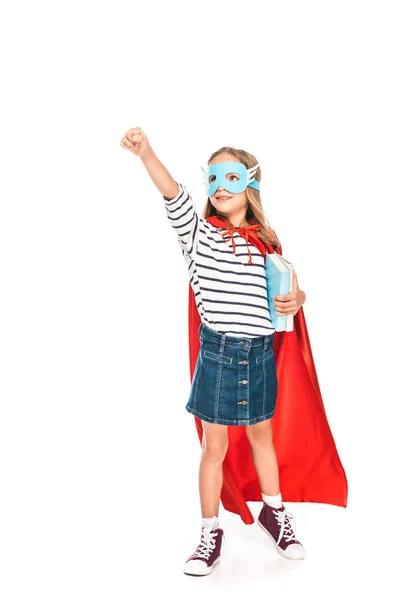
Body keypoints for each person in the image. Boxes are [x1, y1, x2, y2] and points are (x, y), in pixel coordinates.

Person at [120, 127, 317, 576]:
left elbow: (282, 294)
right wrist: (147, 153)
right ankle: (211, 532)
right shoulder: (198, 236)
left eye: (230, 178)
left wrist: (299, 297)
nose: (219, 188)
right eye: (213, 179)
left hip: (260, 354)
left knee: (263, 436)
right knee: (215, 446)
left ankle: (274, 512)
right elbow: (173, 194)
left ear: (250, 183)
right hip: (219, 355)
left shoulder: (266, 241)